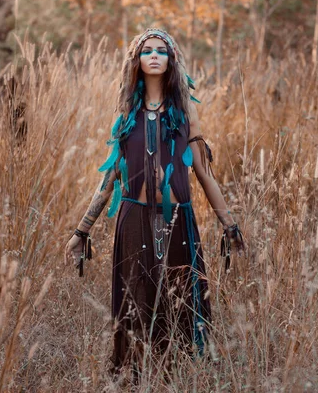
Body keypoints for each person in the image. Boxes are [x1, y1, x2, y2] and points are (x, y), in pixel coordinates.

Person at [65, 28, 246, 380]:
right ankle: (134, 380)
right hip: (132, 220)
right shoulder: (126, 115)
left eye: (161, 51)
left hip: (179, 219)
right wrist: (81, 231)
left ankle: (178, 378)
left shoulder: (185, 113)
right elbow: (109, 179)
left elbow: (205, 176)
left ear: (171, 60)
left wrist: (230, 225)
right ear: (136, 60)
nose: (154, 56)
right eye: (146, 50)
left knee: (179, 302)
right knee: (135, 303)